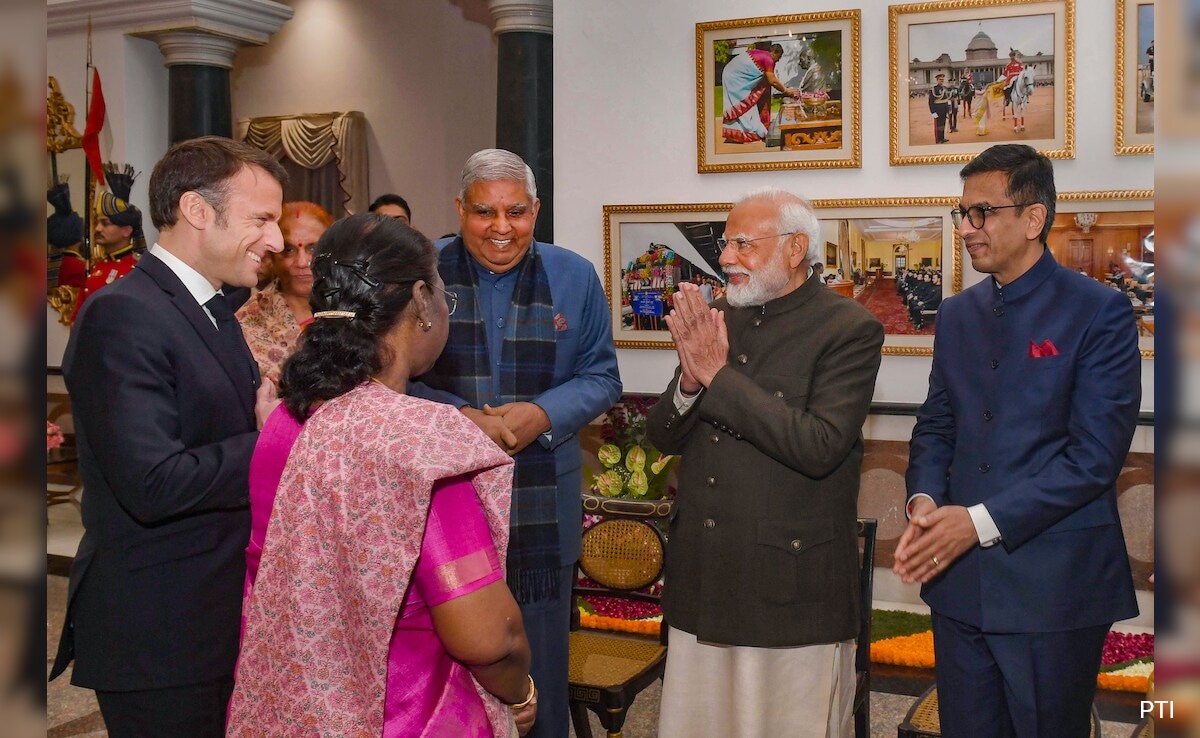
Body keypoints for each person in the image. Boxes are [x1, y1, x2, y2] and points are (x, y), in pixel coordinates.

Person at [228, 213, 537, 737]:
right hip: (410, 715)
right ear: (420, 298)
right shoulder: (418, 442)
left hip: (296, 713)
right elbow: (488, 637)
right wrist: (521, 691)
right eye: (443, 293)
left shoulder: (284, 421)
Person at [894, 144, 1141, 737]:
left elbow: (1093, 459)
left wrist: (975, 522)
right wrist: (925, 501)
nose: (967, 229)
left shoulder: (1100, 312)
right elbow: (937, 423)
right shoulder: (956, 314)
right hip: (957, 587)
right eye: (962, 213)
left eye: (982, 213)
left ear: (1033, 219)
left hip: (1054, 590)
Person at [47, 136, 287, 736]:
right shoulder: (123, 313)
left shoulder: (207, 307)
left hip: (211, 619)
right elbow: (153, 482)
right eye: (262, 219)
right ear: (197, 211)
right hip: (161, 633)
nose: (277, 242)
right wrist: (271, 443)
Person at [647, 186, 884, 736]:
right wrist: (688, 380)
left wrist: (717, 376)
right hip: (705, 575)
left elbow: (819, 446)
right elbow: (662, 435)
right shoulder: (720, 318)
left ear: (795, 248)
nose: (726, 257)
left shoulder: (848, 328)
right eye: (726, 244)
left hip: (789, 588)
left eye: (743, 244)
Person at [411, 148, 622, 738]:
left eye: (517, 213)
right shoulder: (419, 272)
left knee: (541, 678)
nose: (502, 229)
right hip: (440, 509)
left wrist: (540, 414)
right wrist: (461, 419)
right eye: (484, 213)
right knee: (445, 678)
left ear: (536, 211)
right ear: (459, 209)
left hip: (539, 518)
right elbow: (391, 375)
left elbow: (603, 377)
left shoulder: (574, 275)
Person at [236, 200, 333, 384]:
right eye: (289, 250)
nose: (302, 262)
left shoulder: (356, 307)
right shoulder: (249, 320)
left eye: (313, 249)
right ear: (272, 255)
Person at [70, 162, 147, 323]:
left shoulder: (138, 271)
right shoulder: (96, 268)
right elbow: (77, 319)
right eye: (97, 222)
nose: (97, 228)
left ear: (126, 230)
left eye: (105, 223)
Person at [721, 43, 800, 144]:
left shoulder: (765, 56)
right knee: (745, 105)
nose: (779, 60)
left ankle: (745, 132)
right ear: (775, 53)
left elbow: (771, 79)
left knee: (747, 105)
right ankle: (754, 132)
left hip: (731, 73)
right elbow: (772, 81)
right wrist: (786, 91)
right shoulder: (768, 58)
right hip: (735, 78)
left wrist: (784, 88)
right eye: (779, 57)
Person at [929, 72, 952, 144]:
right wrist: (933, 112)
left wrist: (949, 108)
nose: (941, 81)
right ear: (937, 80)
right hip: (938, 110)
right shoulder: (934, 89)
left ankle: (942, 138)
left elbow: (946, 99)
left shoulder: (944, 88)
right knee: (938, 125)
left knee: (943, 124)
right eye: (940, 79)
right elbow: (931, 102)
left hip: (944, 109)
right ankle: (938, 139)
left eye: (942, 80)